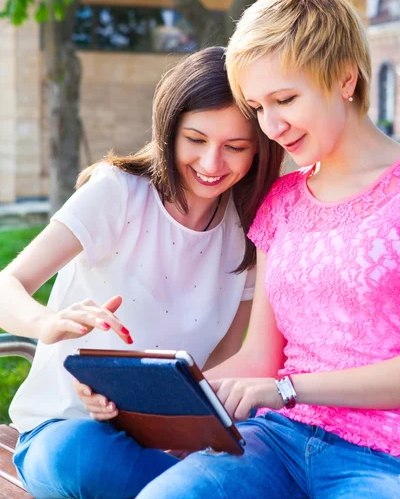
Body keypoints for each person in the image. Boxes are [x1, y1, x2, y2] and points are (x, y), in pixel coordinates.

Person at [136, 0, 400, 499]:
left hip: (391, 458)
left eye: (285, 100)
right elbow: (258, 359)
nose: (268, 125)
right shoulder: (283, 200)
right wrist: (146, 396)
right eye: (257, 107)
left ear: (345, 78)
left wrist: (288, 389)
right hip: (274, 442)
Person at [0, 46, 283, 499]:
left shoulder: (251, 227)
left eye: (235, 147)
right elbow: (6, 285)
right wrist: (46, 324)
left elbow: (227, 359)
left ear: (259, 150)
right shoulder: (118, 192)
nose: (212, 164)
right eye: (196, 139)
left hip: (177, 439)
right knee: (82, 457)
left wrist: (155, 411)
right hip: (66, 428)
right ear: (168, 130)